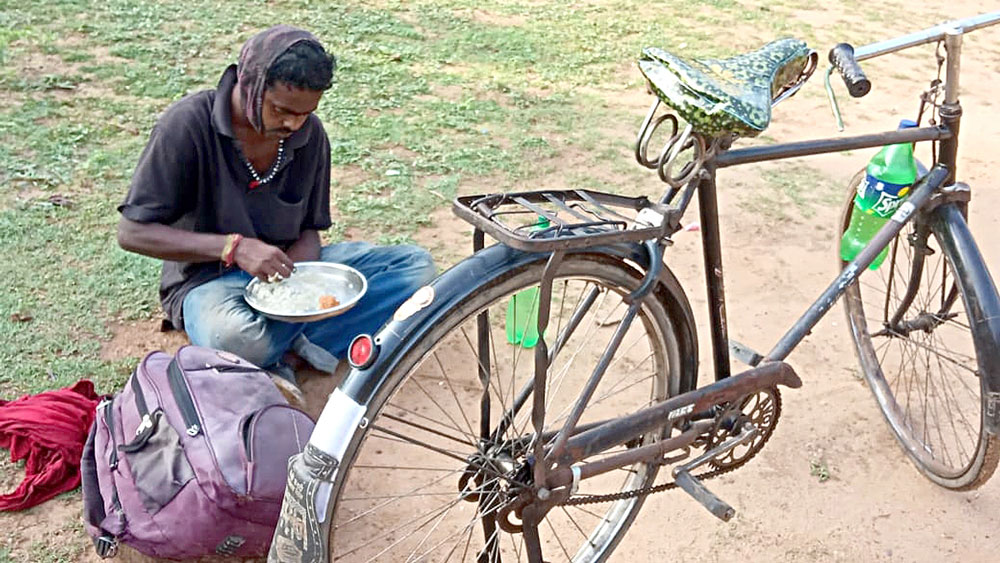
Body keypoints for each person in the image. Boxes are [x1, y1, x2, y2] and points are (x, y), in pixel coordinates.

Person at [116, 25, 436, 404]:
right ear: (250, 84)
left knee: (418, 271)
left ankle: (282, 354)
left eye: (305, 114)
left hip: (284, 276)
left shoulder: (309, 136)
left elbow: (310, 233)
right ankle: (290, 348)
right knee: (231, 337)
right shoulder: (188, 125)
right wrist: (233, 248)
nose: (293, 125)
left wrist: (296, 287)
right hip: (207, 283)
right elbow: (132, 232)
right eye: (281, 111)